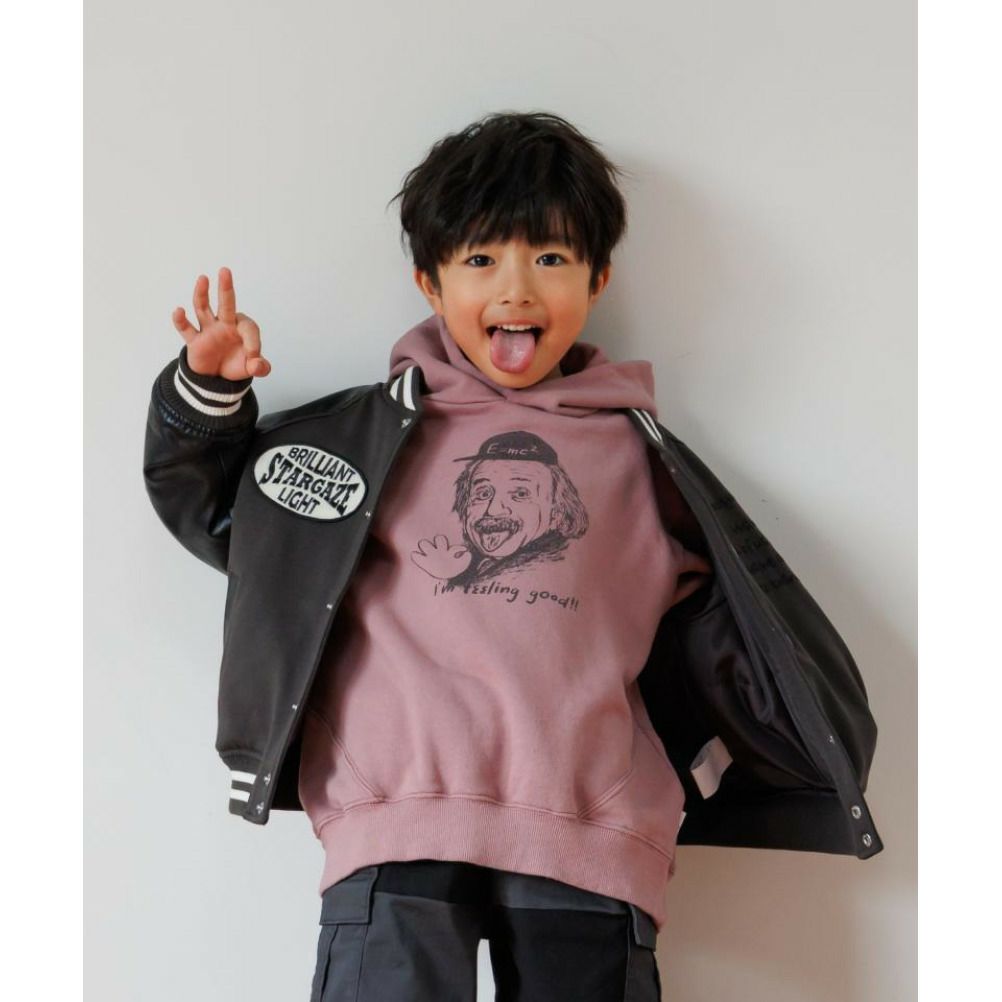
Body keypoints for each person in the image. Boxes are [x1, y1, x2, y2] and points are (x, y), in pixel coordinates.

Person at [143, 111, 881, 1001]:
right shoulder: (362, 443)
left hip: (591, 832)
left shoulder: (640, 458)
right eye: (482, 259)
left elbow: (729, 626)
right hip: (395, 821)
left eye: (553, 257)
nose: (517, 289)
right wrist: (207, 395)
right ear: (430, 280)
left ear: (599, 278)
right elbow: (224, 516)